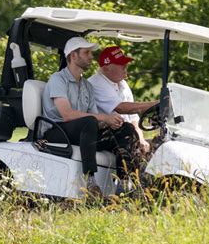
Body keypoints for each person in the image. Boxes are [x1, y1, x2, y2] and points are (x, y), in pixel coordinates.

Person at [41, 37, 139, 197]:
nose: (91, 57)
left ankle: (125, 185)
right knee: (90, 122)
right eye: (86, 53)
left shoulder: (86, 85)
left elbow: (96, 119)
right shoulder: (58, 79)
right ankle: (90, 181)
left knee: (126, 129)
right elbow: (67, 115)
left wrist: (110, 123)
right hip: (56, 131)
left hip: (83, 132)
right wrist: (103, 118)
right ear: (73, 56)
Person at [88, 46, 159, 154]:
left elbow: (133, 116)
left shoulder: (122, 83)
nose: (126, 66)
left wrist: (141, 138)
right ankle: (125, 171)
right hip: (101, 134)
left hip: (124, 133)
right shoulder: (96, 82)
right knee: (126, 131)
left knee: (160, 143)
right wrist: (157, 103)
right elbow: (121, 108)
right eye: (121, 64)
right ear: (106, 68)